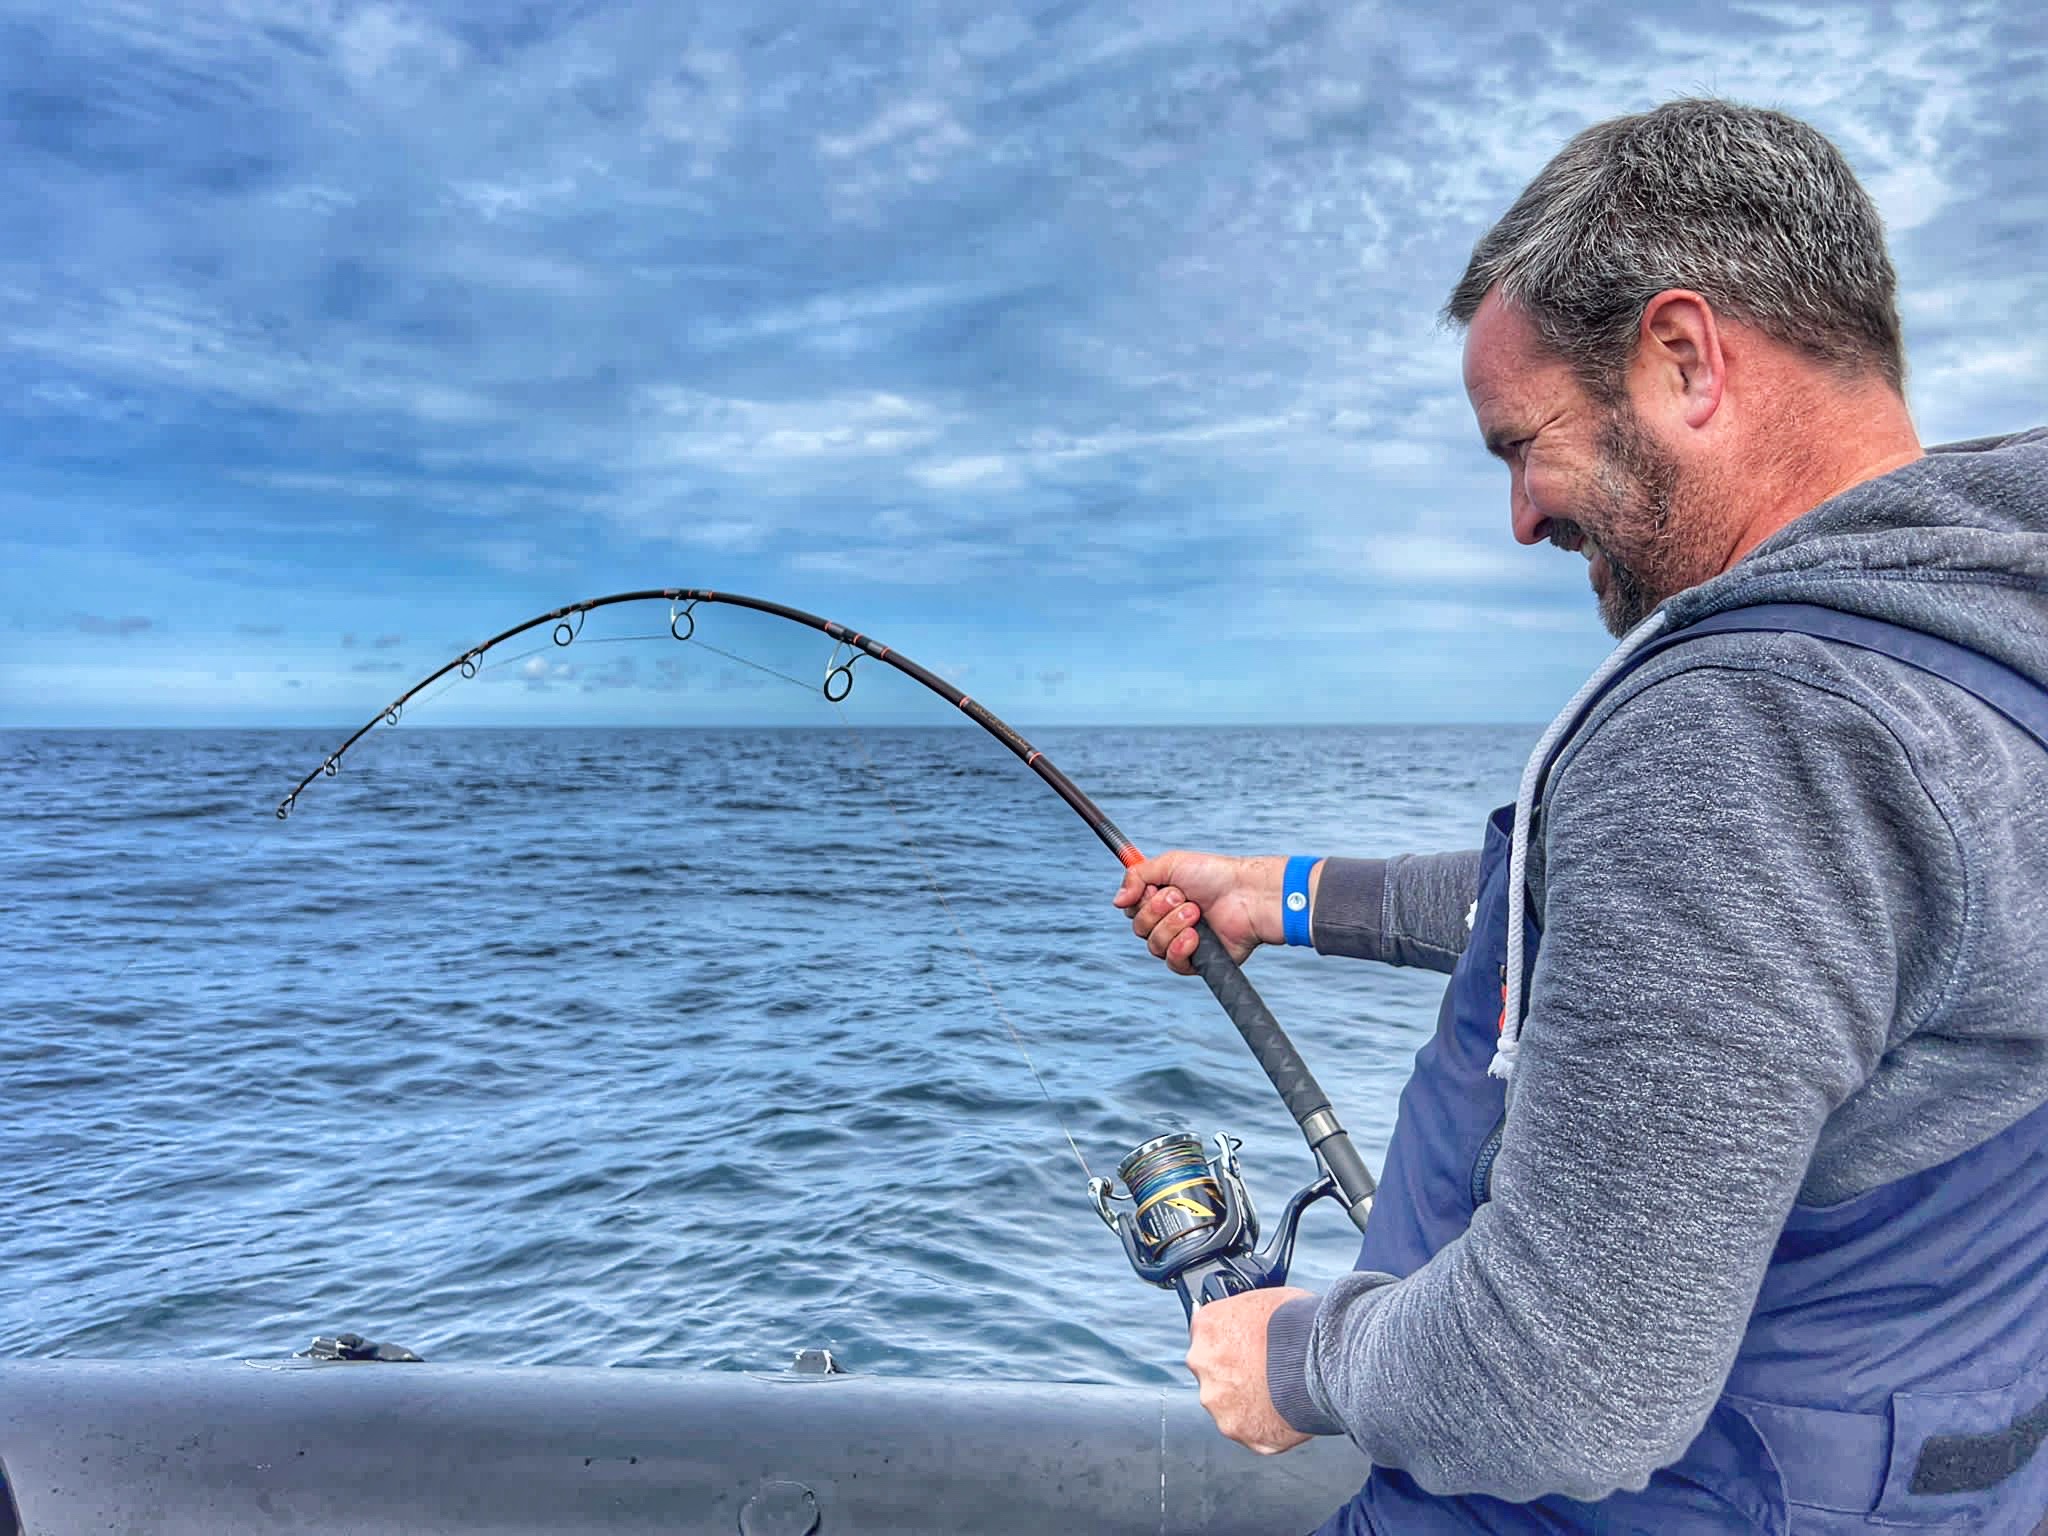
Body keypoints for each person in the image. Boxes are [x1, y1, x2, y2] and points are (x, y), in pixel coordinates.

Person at [1114, 98, 2048, 1533]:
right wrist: (1282, 894)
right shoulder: (1977, 653)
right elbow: (1618, 921)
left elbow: (1564, 1379)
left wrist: (1292, 1359)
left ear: (1683, 359)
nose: (1521, 519)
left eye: (1518, 445)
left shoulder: (1754, 730)